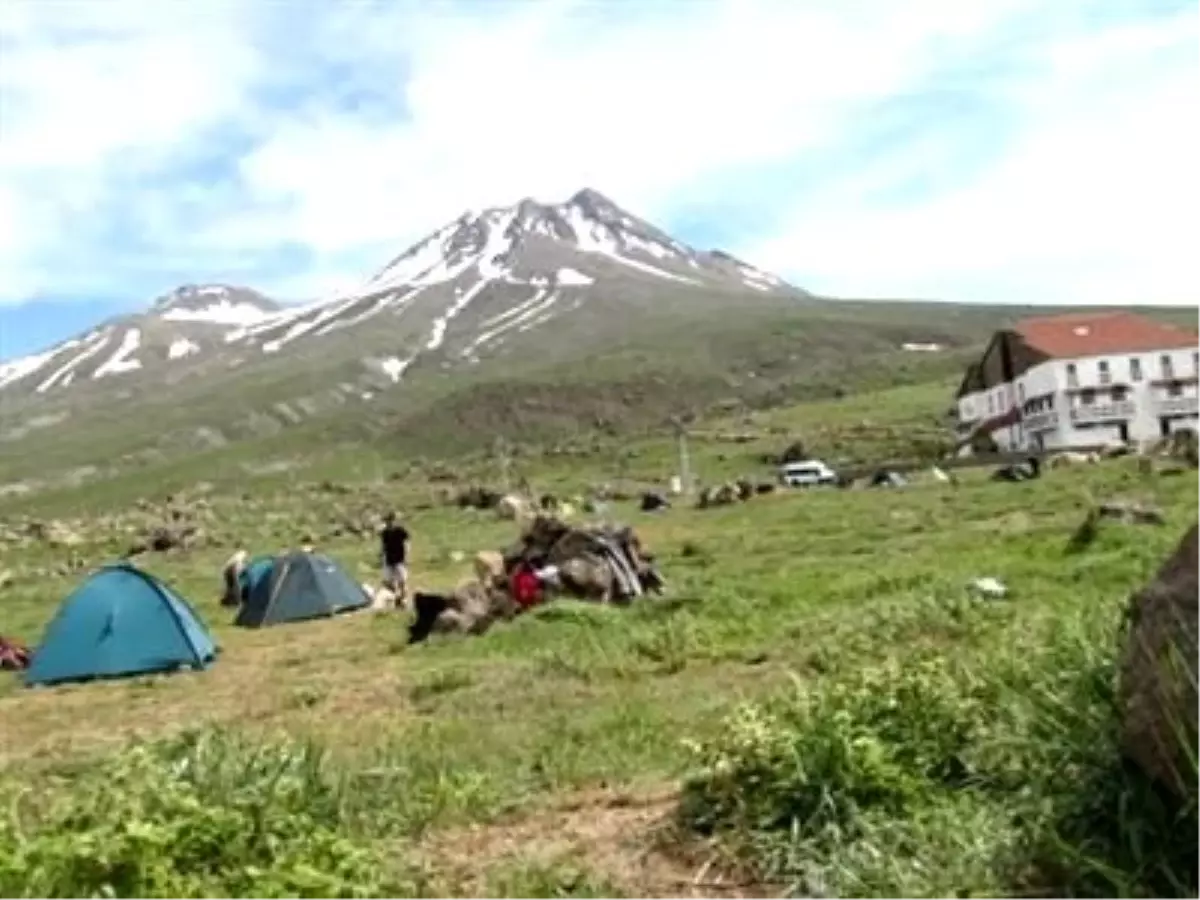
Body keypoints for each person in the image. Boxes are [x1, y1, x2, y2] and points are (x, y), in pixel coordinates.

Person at [379, 512, 410, 603]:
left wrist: (407, 554)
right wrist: (381, 555)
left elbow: (406, 542)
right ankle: (394, 597)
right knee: (389, 581)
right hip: (389, 559)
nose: (389, 523)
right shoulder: (385, 532)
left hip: (400, 558)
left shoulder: (400, 530)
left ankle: (404, 598)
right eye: (387, 521)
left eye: (390, 521)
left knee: (402, 580)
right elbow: (383, 545)